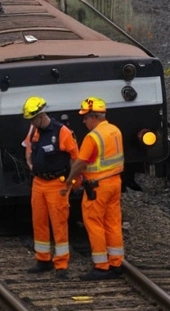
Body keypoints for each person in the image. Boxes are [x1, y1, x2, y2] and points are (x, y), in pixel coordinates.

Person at [63, 97, 125, 280]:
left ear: (94, 117)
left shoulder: (93, 137)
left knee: (94, 224)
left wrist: (70, 181)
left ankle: (101, 266)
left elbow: (80, 163)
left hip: (98, 187)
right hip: (115, 183)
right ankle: (116, 262)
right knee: (113, 223)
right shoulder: (115, 130)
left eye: (85, 118)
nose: (83, 121)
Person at [21, 96, 78, 279]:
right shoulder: (34, 131)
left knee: (59, 223)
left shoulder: (62, 132)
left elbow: (74, 156)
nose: (31, 122)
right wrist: (30, 163)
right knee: (39, 222)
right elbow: (28, 148)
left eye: (33, 119)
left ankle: (61, 264)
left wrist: (70, 181)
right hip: (39, 183)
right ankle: (43, 260)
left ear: (40, 115)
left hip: (56, 183)